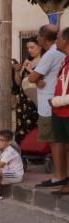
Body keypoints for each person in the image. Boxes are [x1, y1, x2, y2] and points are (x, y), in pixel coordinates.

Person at [31, 24, 68, 189]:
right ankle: (62, 176)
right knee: (60, 142)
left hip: (53, 104)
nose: (37, 39)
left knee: (56, 142)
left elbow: (33, 77)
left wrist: (36, 77)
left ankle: (59, 176)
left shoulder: (51, 54)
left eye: (38, 36)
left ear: (42, 37)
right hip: (56, 103)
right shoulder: (61, 55)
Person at [48, 26, 69, 196]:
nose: (56, 41)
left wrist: (56, 101)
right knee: (66, 148)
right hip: (59, 111)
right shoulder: (65, 60)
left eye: (59, 38)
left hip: (66, 110)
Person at [15, 40, 41, 143]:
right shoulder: (27, 61)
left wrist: (30, 70)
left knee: (34, 125)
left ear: (40, 47)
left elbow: (40, 79)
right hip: (23, 99)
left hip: (35, 99)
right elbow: (18, 82)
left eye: (32, 47)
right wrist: (17, 71)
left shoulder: (44, 61)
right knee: (23, 126)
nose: (29, 50)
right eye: (28, 48)